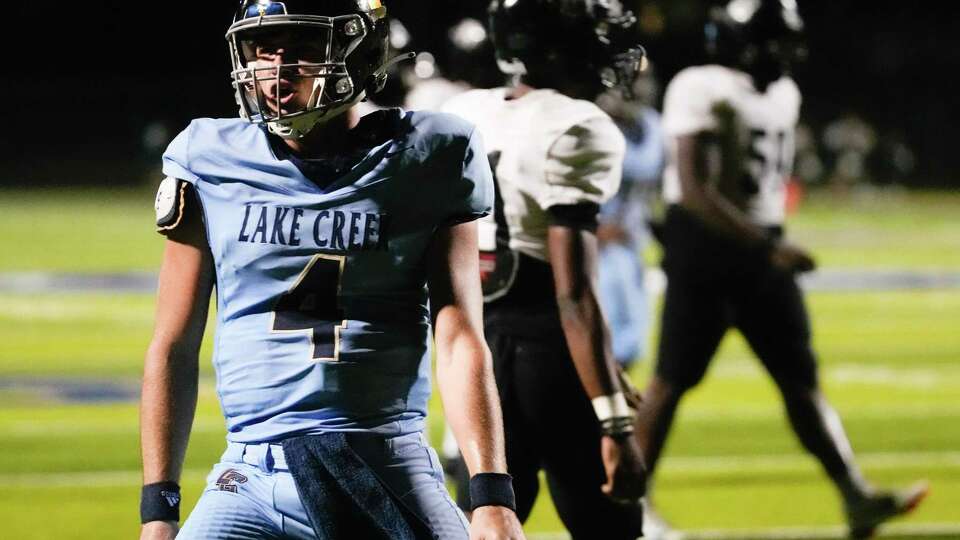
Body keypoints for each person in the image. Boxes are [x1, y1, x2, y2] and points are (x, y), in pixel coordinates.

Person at [138, 2, 525, 539]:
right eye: (262, 49)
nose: (274, 69)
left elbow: (459, 334)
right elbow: (172, 344)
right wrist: (158, 509)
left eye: (299, 49)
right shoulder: (208, 156)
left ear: (359, 54)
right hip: (248, 472)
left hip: (385, 458)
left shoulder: (432, 152)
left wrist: (491, 496)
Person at [633, 1, 927, 539]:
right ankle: (633, 504)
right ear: (745, 41)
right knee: (671, 381)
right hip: (708, 252)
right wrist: (766, 247)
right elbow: (694, 190)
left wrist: (768, 246)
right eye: (777, 41)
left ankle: (855, 494)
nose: (788, 52)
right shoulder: (701, 85)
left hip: (761, 253)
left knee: (802, 383)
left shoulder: (783, 93)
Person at [443, 1, 649, 538]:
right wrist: (617, 424)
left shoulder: (464, 110)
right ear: (557, 46)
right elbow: (573, 295)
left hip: (478, 350)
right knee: (613, 526)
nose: (605, 47)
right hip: (547, 349)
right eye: (593, 35)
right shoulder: (579, 124)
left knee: (490, 523)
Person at [595, 74, 666, 370]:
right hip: (598, 245)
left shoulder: (651, 126)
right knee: (609, 340)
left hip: (633, 241)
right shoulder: (590, 126)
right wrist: (593, 228)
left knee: (632, 341)